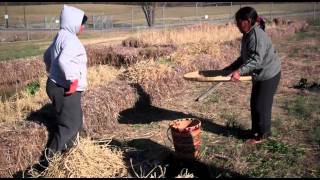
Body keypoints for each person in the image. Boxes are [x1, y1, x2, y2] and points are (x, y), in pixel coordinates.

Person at [222, 7, 281, 144]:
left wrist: (239, 72)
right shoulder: (247, 34)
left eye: (238, 22)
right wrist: (231, 67)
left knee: (261, 106)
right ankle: (256, 132)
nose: (236, 24)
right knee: (255, 104)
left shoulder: (256, 36)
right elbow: (244, 57)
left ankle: (261, 136)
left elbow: (255, 60)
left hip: (269, 74)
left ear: (248, 21)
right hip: (260, 73)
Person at [42, 4, 88, 165]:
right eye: (81, 23)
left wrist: (51, 68)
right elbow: (62, 60)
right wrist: (73, 81)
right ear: (72, 22)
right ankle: (48, 163)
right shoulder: (71, 40)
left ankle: (72, 152)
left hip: (56, 83)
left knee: (75, 119)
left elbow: (47, 54)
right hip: (65, 87)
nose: (83, 26)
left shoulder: (61, 35)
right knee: (69, 125)